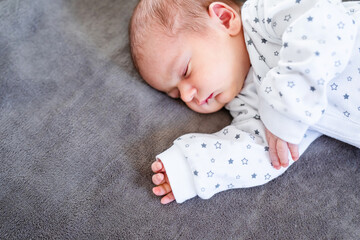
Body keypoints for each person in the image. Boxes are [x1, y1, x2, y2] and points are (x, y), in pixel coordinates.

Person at [129, 0, 360, 204]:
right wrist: (188, 167)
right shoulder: (244, 103)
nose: (187, 95)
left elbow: (325, 22)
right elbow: (264, 152)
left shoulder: (264, 15)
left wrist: (286, 104)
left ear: (224, 19)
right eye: (176, 94)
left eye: (186, 71)